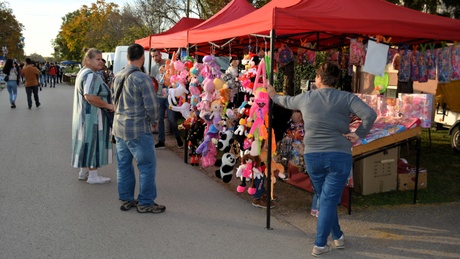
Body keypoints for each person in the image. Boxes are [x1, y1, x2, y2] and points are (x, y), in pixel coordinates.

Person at [267, 61, 377, 257]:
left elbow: (285, 101)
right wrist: (359, 133)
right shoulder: (346, 98)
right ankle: (319, 244)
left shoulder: (306, 98)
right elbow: (369, 114)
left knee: (326, 198)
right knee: (328, 199)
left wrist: (273, 94)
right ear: (336, 80)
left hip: (313, 156)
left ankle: (338, 237)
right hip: (339, 155)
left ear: (318, 78)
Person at [112, 44, 166, 213]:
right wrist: (155, 120)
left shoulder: (118, 75)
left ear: (128, 57)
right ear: (142, 57)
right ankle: (145, 202)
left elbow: (114, 100)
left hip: (120, 127)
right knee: (147, 166)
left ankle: (126, 198)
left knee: (123, 166)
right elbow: (152, 106)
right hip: (138, 128)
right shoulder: (143, 78)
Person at [71, 48, 112, 184]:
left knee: (86, 142)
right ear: (88, 60)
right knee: (93, 143)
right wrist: (108, 106)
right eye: (98, 59)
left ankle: (84, 171)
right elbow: (90, 96)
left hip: (83, 116)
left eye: (101, 59)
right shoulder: (91, 75)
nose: (101, 62)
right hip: (93, 117)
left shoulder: (83, 72)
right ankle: (93, 175)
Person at [149, 48, 183, 149]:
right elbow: (153, 81)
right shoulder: (154, 68)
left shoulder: (169, 64)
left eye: (156, 55)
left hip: (169, 96)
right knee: (159, 119)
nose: (155, 58)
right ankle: (161, 141)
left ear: (160, 55)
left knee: (172, 119)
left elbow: (175, 78)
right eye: (153, 56)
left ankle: (177, 138)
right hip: (159, 96)